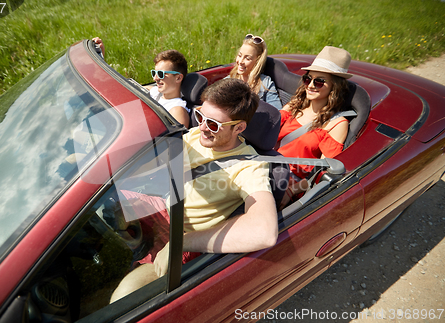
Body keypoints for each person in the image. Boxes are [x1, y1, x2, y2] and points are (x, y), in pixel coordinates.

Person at [110, 78, 281, 301]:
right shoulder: (196, 135)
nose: (202, 127)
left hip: (183, 237)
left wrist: (181, 243)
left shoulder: (248, 166)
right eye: (200, 116)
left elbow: (264, 232)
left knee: (124, 297)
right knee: (100, 204)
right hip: (163, 207)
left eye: (213, 125)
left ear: (239, 127)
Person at [274, 46, 352, 208]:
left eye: (319, 81)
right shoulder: (295, 105)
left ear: (334, 87)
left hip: (290, 185)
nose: (310, 85)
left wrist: (292, 190)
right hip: (268, 166)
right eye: (308, 79)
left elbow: (322, 172)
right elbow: (269, 128)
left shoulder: (337, 124)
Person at [92, 37, 190, 127]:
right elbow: (122, 87)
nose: (155, 78)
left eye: (160, 74)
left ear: (178, 78)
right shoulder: (154, 92)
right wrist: (101, 60)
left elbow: (174, 144)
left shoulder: (177, 110)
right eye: (154, 73)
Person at [227, 34, 282, 109]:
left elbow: (277, 113)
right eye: (239, 55)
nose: (240, 61)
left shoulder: (265, 83)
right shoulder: (229, 80)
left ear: (257, 61)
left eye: (247, 58)